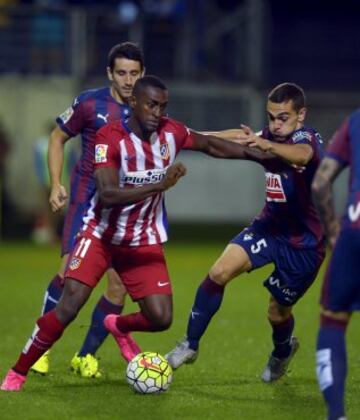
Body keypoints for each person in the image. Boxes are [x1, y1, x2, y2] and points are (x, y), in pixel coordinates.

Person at [0, 75, 278, 392]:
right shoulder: (109, 137)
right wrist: (160, 185)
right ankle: (17, 372)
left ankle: (115, 325)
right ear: (134, 103)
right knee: (69, 305)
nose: (158, 112)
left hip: (142, 242)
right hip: (101, 237)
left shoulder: (171, 132)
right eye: (151, 104)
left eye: (163, 106)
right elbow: (107, 193)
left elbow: (210, 144)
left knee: (161, 318)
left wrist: (261, 159)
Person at [166, 82, 326, 384]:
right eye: (271, 117)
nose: (275, 124)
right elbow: (237, 138)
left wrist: (268, 145)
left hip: (304, 245)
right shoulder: (267, 137)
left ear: (300, 115)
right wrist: (184, 136)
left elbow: (302, 155)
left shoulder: (307, 138)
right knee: (218, 272)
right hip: (268, 227)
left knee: (277, 313)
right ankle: (190, 344)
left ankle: (282, 351)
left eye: (283, 117)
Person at [30, 42, 145, 378]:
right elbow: (57, 137)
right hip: (86, 199)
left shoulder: (148, 107)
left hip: (122, 207)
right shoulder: (89, 102)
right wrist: (56, 183)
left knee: (118, 287)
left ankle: (85, 355)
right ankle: (41, 349)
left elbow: (187, 135)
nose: (127, 80)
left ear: (143, 74)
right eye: (121, 73)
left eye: (134, 73)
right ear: (110, 73)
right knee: (69, 276)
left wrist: (242, 139)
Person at [312, 109, 360, 420]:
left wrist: (332, 232)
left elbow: (320, 184)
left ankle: (336, 414)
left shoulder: (356, 121)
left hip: (354, 233)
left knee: (333, 320)